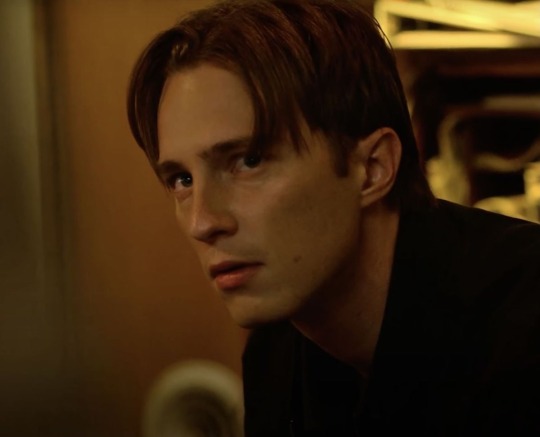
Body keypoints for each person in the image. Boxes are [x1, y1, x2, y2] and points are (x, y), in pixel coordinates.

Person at [127, 1, 540, 435]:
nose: (202, 222)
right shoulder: (276, 349)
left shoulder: (522, 331)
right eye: (182, 179)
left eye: (248, 160)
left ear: (373, 168)